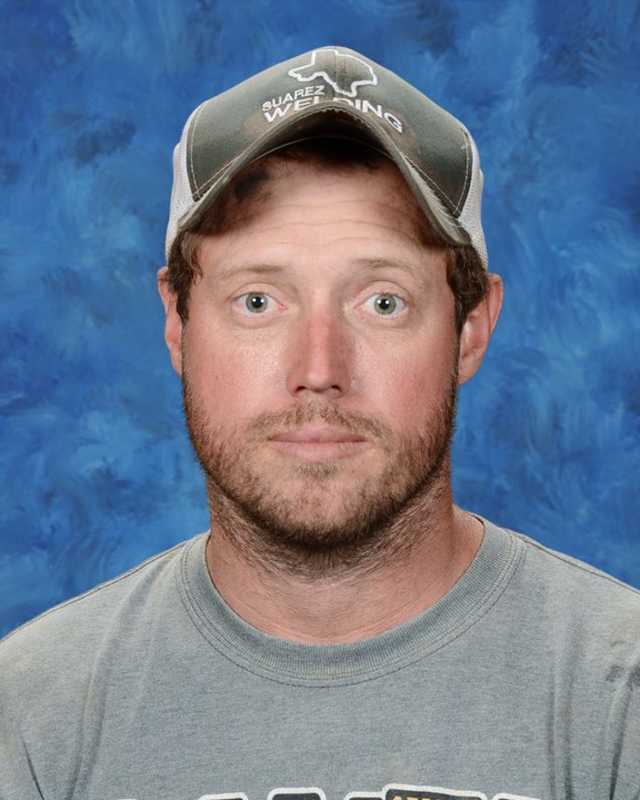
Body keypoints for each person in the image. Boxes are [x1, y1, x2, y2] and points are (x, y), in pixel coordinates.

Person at [1, 46, 639, 800]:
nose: (319, 366)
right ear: (177, 323)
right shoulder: (33, 717)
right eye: (258, 302)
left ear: (470, 329)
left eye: (382, 302)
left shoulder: (618, 699)